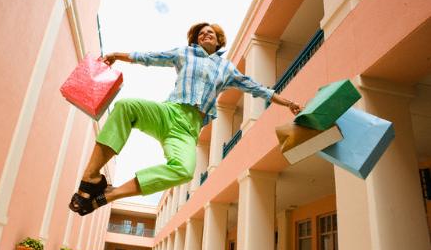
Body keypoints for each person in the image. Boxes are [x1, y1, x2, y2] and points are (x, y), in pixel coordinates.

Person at [69, 22, 302, 216]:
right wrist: (117, 56)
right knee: (126, 106)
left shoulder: (227, 69)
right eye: (200, 33)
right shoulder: (185, 53)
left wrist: (288, 102)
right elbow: (152, 57)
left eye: (210, 32)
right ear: (196, 40)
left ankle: (109, 194)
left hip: (187, 130)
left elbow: (256, 87)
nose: (205, 34)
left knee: (184, 170)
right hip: (168, 112)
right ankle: (90, 177)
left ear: (219, 40)